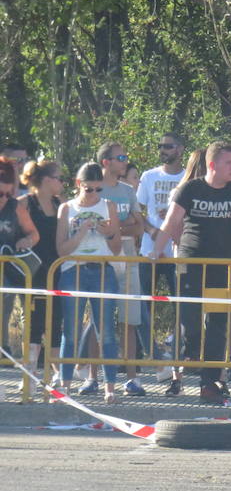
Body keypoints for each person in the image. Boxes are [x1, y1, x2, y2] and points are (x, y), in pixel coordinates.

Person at [150, 141, 231, 405]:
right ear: (212, 165)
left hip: (224, 267)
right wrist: (155, 252)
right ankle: (190, 355)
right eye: (228, 163)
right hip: (191, 264)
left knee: (219, 326)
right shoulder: (190, 188)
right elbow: (170, 222)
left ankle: (210, 384)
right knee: (190, 323)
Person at [55, 162, 121, 403]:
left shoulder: (109, 206)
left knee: (107, 332)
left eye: (98, 189)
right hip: (73, 271)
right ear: (78, 185)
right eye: (89, 189)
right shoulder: (66, 208)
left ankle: (110, 387)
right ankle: (65, 387)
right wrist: (81, 232)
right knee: (70, 332)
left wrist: (109, 233)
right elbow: (61, 250)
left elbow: (116, 250)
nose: (94, 194)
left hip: (103, 271)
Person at [136, 133, 186, 392]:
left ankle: (177, 370)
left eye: (168, 146)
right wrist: (154, 231)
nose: (163, 150)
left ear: (180, 149)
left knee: (182, 310)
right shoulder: (148, 176)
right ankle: (156, 360)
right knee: (142, 308)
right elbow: (139, 213)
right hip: (150, 251)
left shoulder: (188, 178)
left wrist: (176, 220)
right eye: (161, 146)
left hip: (177, 252)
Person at [96, 141, 145, 396]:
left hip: (128, 256)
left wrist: (114, 226)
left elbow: (139, 227)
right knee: (98, 319)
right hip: (100, 256)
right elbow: (93, 226)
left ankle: (133, 378)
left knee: (130, 318)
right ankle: (92, 377)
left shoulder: (127, 191)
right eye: (121, 157)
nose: (125, 160)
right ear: (106, 162)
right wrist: (120, 224)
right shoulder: (94, 188)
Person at [20, 160, 64, 386]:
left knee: (56, 320)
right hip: (33, 270)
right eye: (59, 178)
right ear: (47, 180)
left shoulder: (61, 204)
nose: (62, 183)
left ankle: (57, 373)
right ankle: (29, 373)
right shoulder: (24, 204)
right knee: (33, 321)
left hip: (57, 269)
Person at [0, 156, 40, 362]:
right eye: (0, 193)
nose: (4, 198)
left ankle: (20, 356)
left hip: (12, 267)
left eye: (9, 193)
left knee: (16, 307)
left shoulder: (16, 207)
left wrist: (25, 241)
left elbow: (34, 235)